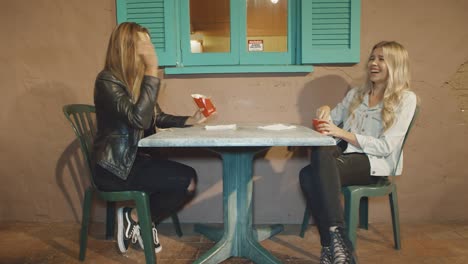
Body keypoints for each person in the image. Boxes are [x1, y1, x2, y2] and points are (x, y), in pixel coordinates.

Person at [92, 22, 207, 254]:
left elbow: (156, 116)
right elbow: (139, 120)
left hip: (135, 160)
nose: (150, 48)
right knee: (185, 180)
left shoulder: (135, 81)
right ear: (126, 47)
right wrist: (152, 71)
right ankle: (141, 221)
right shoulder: (108, 81)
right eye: (143, 43)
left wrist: (189, 120)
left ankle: (135, 218)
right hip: (114, 168)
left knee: (188, 179)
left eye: (149, 42)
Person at [299, 41, 417, 264]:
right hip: (344, 158)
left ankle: (330, 244)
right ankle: (339, 244)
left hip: (374, 163)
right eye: (372, 58)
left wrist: (341, 132)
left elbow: (385, 147)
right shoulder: (356, 94)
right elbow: (330, 123)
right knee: (310, 166)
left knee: (308, 174)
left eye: (382, 59)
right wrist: (325, 111)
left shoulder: (406, 99)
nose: (374, 63)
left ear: (396, 64)